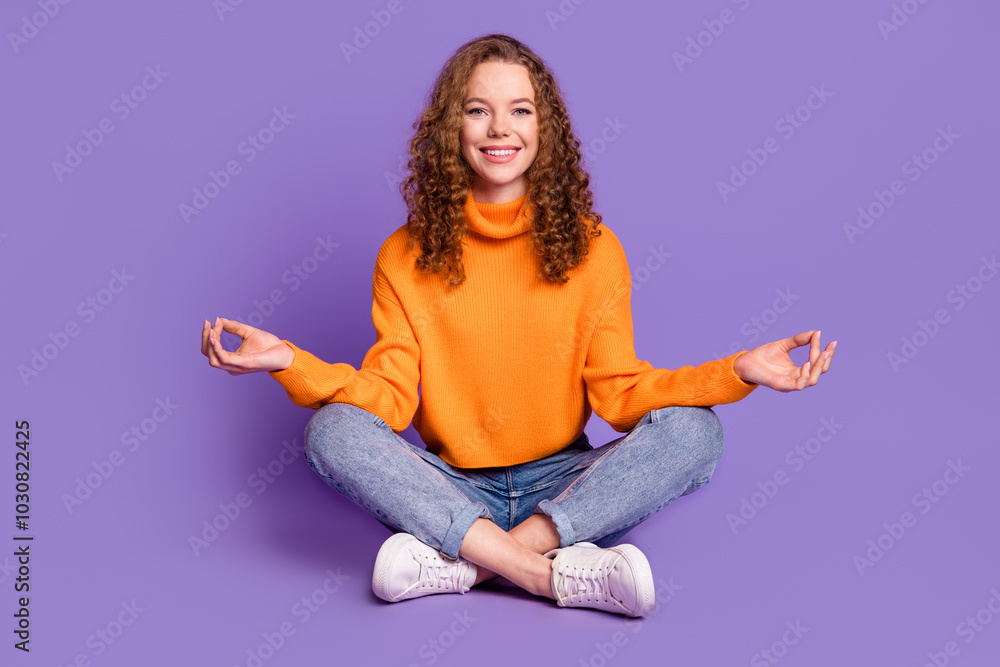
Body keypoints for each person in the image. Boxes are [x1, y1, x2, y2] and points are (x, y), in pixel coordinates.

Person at [200, 33, 835, 618]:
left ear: (545, 128)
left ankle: (469, 564)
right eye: (478, 110)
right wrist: (289, 360)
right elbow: (388, 402)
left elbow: (620, 396)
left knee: (697, 433)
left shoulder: (594, 250)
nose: (500, 128)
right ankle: (545, 575)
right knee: (332, 432)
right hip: (449, 484)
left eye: (520, 110)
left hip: (561, 482)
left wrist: (738, 372)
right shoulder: (404, 256)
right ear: (453, 128)